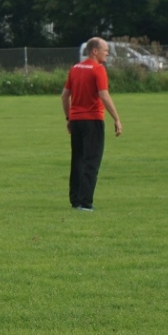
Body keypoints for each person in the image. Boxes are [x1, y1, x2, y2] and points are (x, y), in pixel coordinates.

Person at [62, 37, 123, 211]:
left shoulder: (75, 68)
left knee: (77, 160)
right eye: (105, 50)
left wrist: (69, 118)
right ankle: (86, 203)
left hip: (76, 121)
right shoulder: (98, 69)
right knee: (92, 160)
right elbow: (104, 95)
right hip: (93, 120)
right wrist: (116, 118)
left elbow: (65, 96)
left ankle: (75, 200)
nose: (107, 53)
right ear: (95, 51)